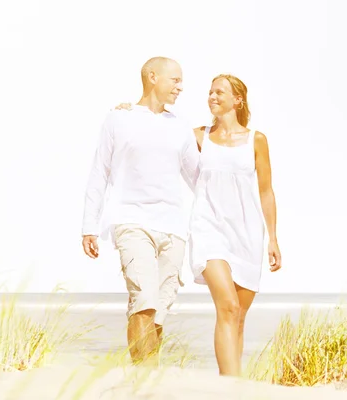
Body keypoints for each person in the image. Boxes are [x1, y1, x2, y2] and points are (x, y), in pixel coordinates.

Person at [114, 73, 282, 376]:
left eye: (220, 92)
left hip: (247, 233)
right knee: (228, 307)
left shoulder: (257, 140)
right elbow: (156, 129)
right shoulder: (197, 136)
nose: (212, 97)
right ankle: (230, 388)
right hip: (209, 228)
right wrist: (130, 112)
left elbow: (266, 191)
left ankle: (233, 383)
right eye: (210, 92)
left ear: (238, 100)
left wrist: (273, 238)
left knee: (238, 317)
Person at [81, 57, 200, 365]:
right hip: (131, 221)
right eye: (175, 79)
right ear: (152, 77)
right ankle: (142, 381)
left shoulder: (180, 126)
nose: (181, 86)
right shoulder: (118, 119)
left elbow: (198, 178)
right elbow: (99, 172)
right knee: (143, 302)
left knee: (158, 311)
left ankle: (148, 381)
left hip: (173, 227)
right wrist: (89, 225)